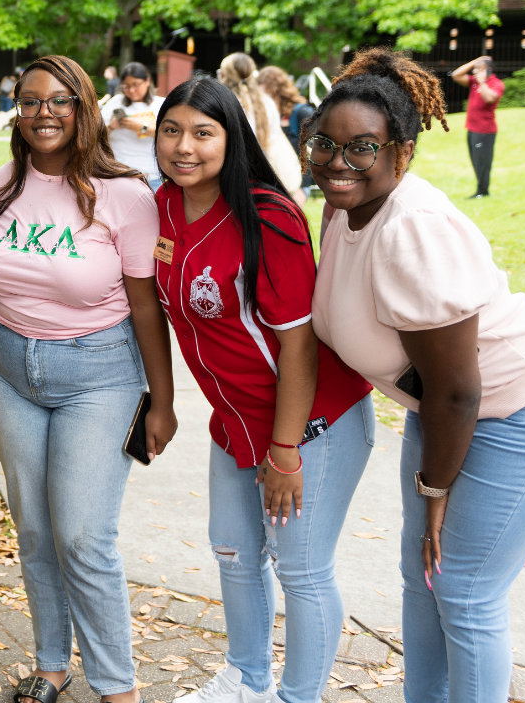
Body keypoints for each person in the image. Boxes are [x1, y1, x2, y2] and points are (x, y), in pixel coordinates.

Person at [306, 48, 525, 703]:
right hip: (443, 408)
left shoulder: (412, 228)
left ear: (401, 154)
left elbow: (458, 388)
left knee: (465, 589)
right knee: (424, 574)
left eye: (362, 149)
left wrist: (435, 488)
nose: (336, 161)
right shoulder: (341, 205)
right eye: (324, 143)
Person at [152, 77, 374, 703]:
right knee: (232, 552)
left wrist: (285, 453)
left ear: (233, 137)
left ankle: (297, 696)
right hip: (235, 421)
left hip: (310, 422)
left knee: (301, 569)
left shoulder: (267, 218)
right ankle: (246, 679)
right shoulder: (163, 205)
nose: (184, 147)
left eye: (203, 133)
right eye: (172, 131)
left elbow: (299, 347)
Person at [0, 55, 177, 703]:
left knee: (84, 535)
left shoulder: (125, 194)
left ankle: (118, 688)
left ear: (84, 107)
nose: (44, 113)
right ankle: (51, 664)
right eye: (30, 100)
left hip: (100, 374)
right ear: (17, 110)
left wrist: (162, 403)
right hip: (8, 368)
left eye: (59, 100)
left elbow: (147, 305)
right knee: (33, 527)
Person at [219, 53, 303, 203]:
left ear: (224, 75)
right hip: (266, 177)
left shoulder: (224, 104)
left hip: (234, 178)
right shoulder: (267, 102)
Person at [102, 62, 165, 189]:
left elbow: (168, 136)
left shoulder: (160, 104)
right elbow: (95, 134)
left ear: (147, 81)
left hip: (151, 176)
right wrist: (111, 127)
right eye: (126, 86)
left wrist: (142, 128)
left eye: (136, 85)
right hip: (118, 175)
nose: (131, 90)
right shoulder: (115, 102)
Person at [450, 55, 502, 199]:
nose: (475, 72)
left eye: (479, 69)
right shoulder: (474, 82)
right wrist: (475, 62)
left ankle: (483, 191)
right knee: (475, 160)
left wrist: (483, 82)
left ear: (488, 70)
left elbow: (490, 98)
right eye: (475, 69)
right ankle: (481, 189)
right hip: (472, 129)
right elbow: (456, 75)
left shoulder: (495, 83)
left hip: (485, 131)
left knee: (483, 162)